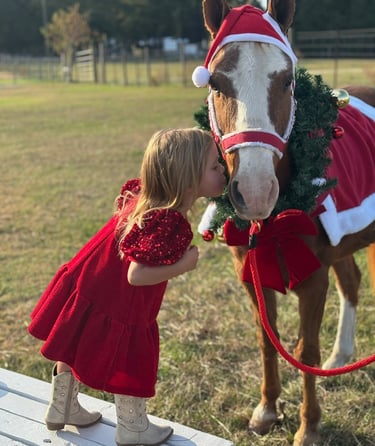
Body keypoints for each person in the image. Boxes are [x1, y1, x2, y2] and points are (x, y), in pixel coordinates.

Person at [28, 128, 226, 446]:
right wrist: (183, 266)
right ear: (188, 179)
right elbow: (137, 274)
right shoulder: (169, 221)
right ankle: (132, 427)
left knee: (73, 338)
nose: (223, 171)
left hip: (92, 280)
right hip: (121, 297)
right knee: (131, 357)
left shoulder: (145, 203)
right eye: (215, 167)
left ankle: (62, 407)